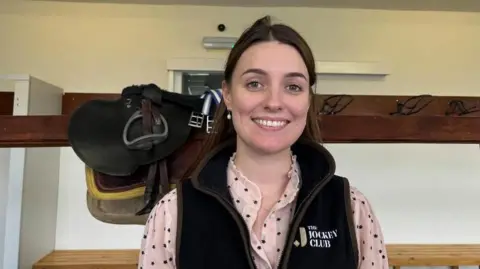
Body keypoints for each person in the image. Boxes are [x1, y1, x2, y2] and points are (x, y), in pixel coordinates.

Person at [138, 15, 389, 269]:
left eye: (293, 86)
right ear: (228, 94)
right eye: (255, 83)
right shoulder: (173, 213)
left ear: (308, 100)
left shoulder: (352, 208)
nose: (274, 102)